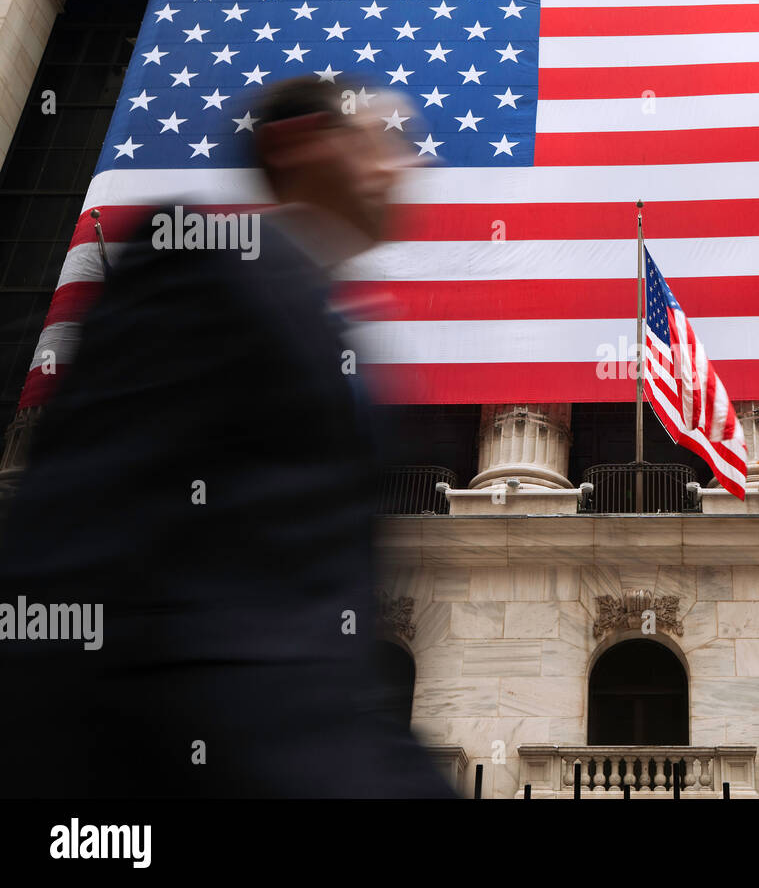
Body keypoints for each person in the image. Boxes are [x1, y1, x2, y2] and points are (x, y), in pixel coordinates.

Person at [0, 77, 455, 797]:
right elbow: (85, 532)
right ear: (300, 143)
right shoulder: (199, 261)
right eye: (378, 138)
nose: (405, 164)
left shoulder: (340, 330)